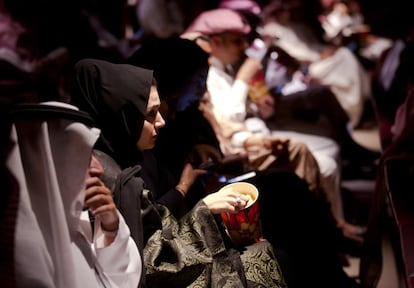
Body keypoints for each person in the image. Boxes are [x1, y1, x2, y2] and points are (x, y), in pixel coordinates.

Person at [126, 36, 363, 288]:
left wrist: (203, 155)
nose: (201, 89)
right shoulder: (139, 133)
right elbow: (153, 231)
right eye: (196, 81)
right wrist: (184, 186)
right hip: (186, 224)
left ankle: (331, 269)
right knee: (280, 244)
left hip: (200, 201)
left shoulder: (182, 115)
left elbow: (199, 151)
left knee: (287, 186)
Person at [70, 58, 288, 288]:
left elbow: (150, 226)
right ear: (124, 115)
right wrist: (203, 208)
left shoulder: (123, 159)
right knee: (264, 256)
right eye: (151, 113)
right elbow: (150, 263)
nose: (162, 121)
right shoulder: (110, 177)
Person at [184, 7, 365, 241]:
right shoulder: (206, 80)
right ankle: (330, 230)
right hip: (237, 152)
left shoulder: (225, 68)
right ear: (215, 42)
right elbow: (228, 123)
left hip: (252, 134)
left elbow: (236, 118)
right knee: (319, 160)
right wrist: (244, 80)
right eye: (238, 41)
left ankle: (333, 226)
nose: (244, 47)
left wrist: (260, 102)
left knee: (326, 148)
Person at [7, 101, 141, 288]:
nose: (99, 168)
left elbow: (118, 280)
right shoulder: (19, 247)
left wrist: (109, 228)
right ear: (47, 161)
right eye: (82, 156)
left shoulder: (80, 219)